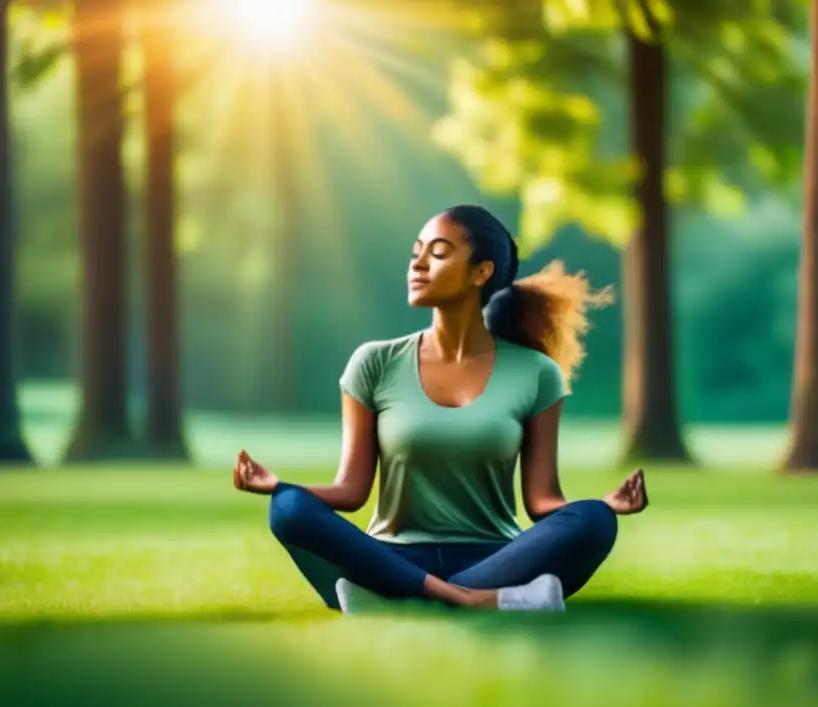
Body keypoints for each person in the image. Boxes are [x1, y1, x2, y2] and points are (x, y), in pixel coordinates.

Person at [233, 204, 648, 614]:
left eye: (437, 252)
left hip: (495, 562)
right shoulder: (374, 362)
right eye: (416, 253)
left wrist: (602, 506)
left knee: (594, 519)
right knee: (288, 508)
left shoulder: (536, 373)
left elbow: (542, 500)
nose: (417, 265)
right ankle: (472, 600)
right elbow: (351, 491)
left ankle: (404, 598)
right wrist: (278, 486)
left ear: (481, 272)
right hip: (390, 558)